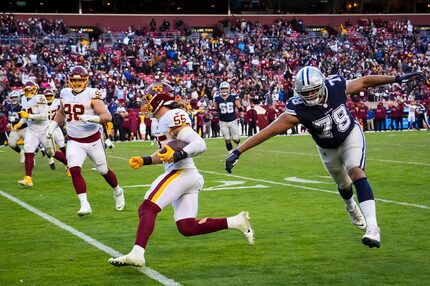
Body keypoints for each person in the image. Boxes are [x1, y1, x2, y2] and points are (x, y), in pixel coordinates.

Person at [225, 66, 423, 249]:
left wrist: (396, 78)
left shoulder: (335, 86)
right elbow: (269, 131)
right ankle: (351, 206)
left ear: (322, 85)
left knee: (356, 171)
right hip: (327, 149)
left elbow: (364, 81)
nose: (311, 95)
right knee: (344, 186)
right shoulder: (298, 109)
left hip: (349, 136)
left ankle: (373, 228)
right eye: (306, 92)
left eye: (313, 90)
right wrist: (238, 150)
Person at [108, 82, 254, 267]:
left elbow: (199, 143)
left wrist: (177, 155)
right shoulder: (160, 121)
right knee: (187, 226)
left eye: (148, 99)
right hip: (187, 175)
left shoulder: (171, 115)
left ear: (160, 100)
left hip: (182, 172)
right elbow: (166, 152)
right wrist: (145, 160)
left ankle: (137, 253)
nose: (146, 104)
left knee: (147, 208)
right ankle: (236, 221)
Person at [46, 65, 124, 216]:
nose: (77, 83)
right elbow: (63, 111)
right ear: (69, 81)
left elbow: (107, 116)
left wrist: (92, 118)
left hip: (93, 140)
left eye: (80, 80)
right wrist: (53, 125)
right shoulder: (65, 93)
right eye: (74, 81)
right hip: (74, 140)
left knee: (103, 170)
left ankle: (118, 191)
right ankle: (85, 204)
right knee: (74, 169)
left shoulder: (92, 94)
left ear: (86, 80)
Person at [17, 80, 56, 187]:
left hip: (44, 129)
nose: (29, 92)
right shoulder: (24, 99)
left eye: (31, 90)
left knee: (52, 153)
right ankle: (28, 178)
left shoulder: (40, 98)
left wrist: (29, 116)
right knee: (28, 151)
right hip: (31, 130)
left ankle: (68, 164)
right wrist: (19, 124)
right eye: (27, 90)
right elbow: (25, 114)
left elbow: (44, 116)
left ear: (35, 89)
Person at [214, 81, 243, 153]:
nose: (224, 90)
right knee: (227, 139)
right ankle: (230, 153)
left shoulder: (233, 96)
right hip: (223, 121)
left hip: (233, 120)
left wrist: (242, 116)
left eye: (226, 88)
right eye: (222, 88)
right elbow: (216, 109)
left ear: (229, 89)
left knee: (235, 138)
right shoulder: (217, 98)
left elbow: (240, 107)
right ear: (220, 89)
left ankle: (238, 143)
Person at [5, 90, 27, 163]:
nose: (14, 99)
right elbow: (8, 116)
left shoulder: (22, 107)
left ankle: (31, 159)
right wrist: (8, 122)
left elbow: (25, 118)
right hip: (15, 129)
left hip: (24, 129)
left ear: (19, 98)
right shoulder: (8, 106)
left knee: (29, 145)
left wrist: (15, 120)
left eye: (15, 97)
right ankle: (21, 152)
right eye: (12, 97)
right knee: (11, 143)